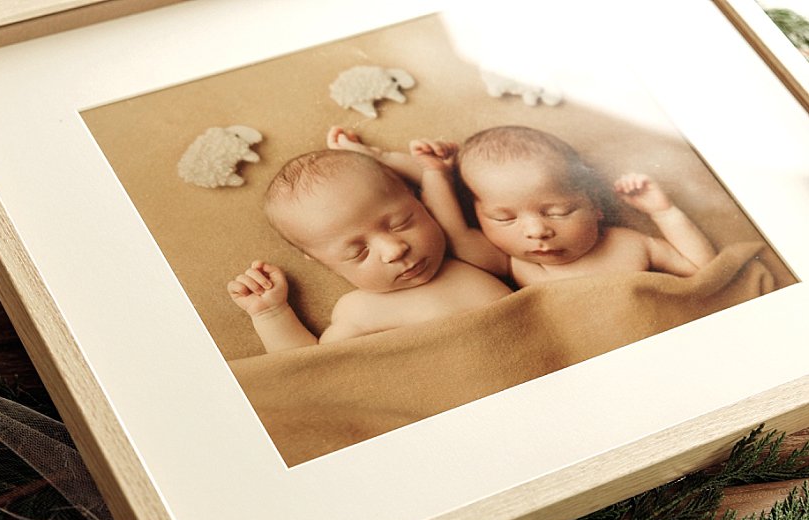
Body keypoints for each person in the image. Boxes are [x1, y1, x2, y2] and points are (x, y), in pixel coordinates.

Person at [330, 125, 717, 288]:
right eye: (503, 217)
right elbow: (452, 229)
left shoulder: (630, 243)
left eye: (557, 211)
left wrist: (664, 212)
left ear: (596, 204)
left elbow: (706, 272)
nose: (536, 231)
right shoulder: (517, 263)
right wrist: (430, 171)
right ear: (480, 216)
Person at [226, 148, 511, 354]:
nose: (394, 250)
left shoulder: (465, 251)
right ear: (323, 262)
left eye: (402, 223)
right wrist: (271, 314)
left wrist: (429, 168)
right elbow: (312, 370)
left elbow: (447, 190)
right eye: (358, 253)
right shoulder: (359, 311)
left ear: (420, 202)